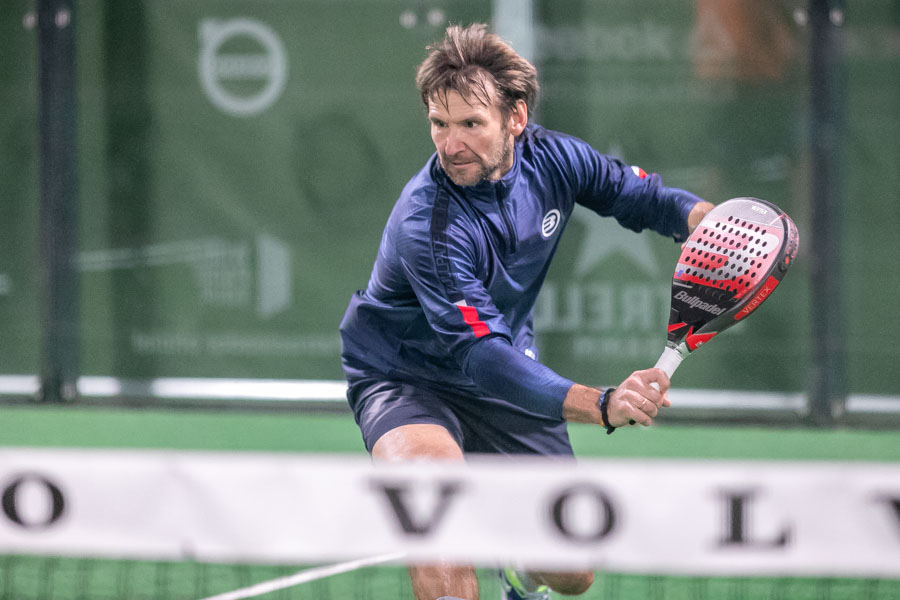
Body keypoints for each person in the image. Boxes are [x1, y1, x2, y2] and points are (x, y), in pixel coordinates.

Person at [339, 23, 714, 600]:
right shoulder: (428, 223)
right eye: (439, 123)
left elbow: (643, 198)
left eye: (471, 124)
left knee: (571, 574)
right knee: (433, 507)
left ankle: (518, 567)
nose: (450, 144)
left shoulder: (554, 159)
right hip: (408, 377)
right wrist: (603, 403)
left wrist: (714, 223)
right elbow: (480, 355)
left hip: (506, 376)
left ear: (515, 118)